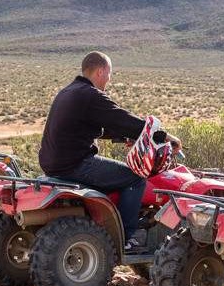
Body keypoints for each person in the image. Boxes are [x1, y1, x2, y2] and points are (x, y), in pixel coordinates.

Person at [39, 51, 180, 251]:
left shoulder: (68, 91)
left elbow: (97, 127)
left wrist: (129, 137)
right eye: (109, 74)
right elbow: (122, 119)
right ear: (101, 71)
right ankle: (127, 239)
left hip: (52, 164)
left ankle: (104, 223)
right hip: (75, 164)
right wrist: (165, 137)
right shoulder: (90, 95)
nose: (109, 79)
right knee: (135, 177)